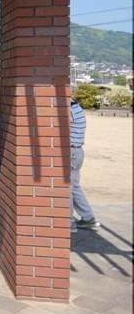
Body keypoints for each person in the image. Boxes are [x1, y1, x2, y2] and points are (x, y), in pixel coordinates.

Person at [70, 99, 100, 233]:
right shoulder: (77, 108)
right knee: (74, 187)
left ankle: (68, 222)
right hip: (77, 151)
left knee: (66, 187)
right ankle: (88, 217)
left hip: (70, 152)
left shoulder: (69, 110)